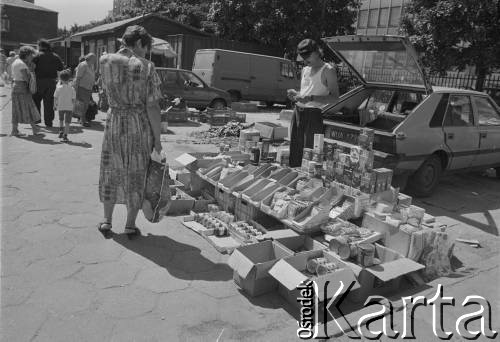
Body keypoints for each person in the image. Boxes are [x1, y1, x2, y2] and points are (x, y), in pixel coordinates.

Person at [97, 25, 163, 235]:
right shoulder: (147, 66)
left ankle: (107, 221)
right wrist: (158, 140)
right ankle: (129, 225)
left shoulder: (104, 61)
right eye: (146, 47)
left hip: (114, 121)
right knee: (136, 171)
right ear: (139, 44)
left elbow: (103, 92)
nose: (146, 51)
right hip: (138, 125)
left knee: (111, 170)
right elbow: (152, 106)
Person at [287, 39, 339, 167]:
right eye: (302, 57)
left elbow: (335, 97)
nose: (304, 60)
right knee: (295, 150)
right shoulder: (305, 69)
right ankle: (294, 181)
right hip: (298, 112)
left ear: (317, 52)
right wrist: (296, 94)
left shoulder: (328, 70)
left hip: (313, 114)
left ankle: (308, 183)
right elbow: (307, 92)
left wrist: (311, 98)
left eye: (307, 57)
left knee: (310, 154)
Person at [32, 39, 64, 127]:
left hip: (38, 82)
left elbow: (31, 68)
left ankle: (36, 120)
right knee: (49, 103)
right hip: (51, 82)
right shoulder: (55, 56)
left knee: (36, 101)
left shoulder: (37, 56)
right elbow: (61, 69)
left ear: (41, 46)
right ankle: (49, 122)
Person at [10, 46, 41, 136]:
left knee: (16, 109)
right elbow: (26, 78)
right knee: (28, 107)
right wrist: (31, 76)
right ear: (27, 55)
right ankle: (34, 129)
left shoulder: (16, 62)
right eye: (31, 55)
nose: (32, 57)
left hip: (16, 86)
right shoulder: (22, 64)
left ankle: (14, 130)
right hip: (22, 87)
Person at [73, 53, 97, 127]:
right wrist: (75, 88)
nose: (95, 60)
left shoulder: (90, 65)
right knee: (83, 105)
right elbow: (78, 77)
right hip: (82, 87)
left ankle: (82, 120)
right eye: (94, 58)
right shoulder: (83, 65)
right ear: (89, 58)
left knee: (85, 105)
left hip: (88, 88)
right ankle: (83, 121)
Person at [53, 69, 76, 142]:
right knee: (67, 122)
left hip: (61, 106)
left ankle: (60, 131)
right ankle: (65, 135)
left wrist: (55, 105)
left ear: (60, 79)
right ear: (69, 79)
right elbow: (73, 99)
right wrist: (73, 106)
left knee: (61, 119)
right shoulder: (72, 89)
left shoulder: (58, 88)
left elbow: (55, 97)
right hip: (69, 107)